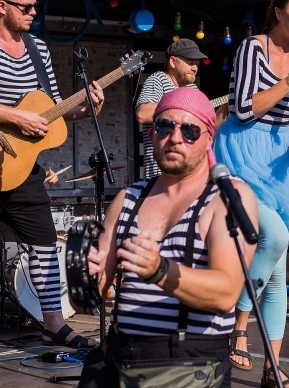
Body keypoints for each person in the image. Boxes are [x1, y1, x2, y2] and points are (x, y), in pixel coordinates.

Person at [0, 0, 104, 366]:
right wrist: (15, 118)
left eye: (35, 5)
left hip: (23, 168)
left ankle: (53, 322)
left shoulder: (37, 48)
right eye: (26, 6)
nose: (34, 12)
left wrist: (85, 110)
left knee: (45, 245)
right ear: (2, 6)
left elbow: (46, 114)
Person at [76, 87, 259, 388]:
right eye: (164, 126)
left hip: (189, 365)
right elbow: (91, 297)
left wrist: (159, 270)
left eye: (189, 130)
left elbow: (225, 294)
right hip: (120, 358)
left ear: (208, 138)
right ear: (152, 135)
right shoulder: (127, 198)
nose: (175, 138)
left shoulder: (227, 197)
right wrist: (84, 275)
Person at [213, 0, 289, 388]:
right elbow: (241, 108)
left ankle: (272, 369)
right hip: (244, 147)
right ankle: (236, 323)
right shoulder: (253, 49)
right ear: (278, 12)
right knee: (272, 236)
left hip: (282, 157)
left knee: (276, 270)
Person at [135, 38, 207, 179]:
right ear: (173, 62)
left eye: (197, 64)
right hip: (159, 173)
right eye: (191, 63)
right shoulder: (157, 79)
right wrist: (181, 106)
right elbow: (142, 114)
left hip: (187, 173)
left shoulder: (193, 88)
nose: (195, 68)